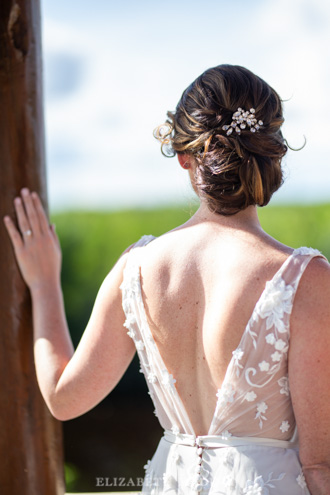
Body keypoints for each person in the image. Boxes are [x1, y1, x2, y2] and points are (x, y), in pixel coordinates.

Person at [3, 64, 330, 495]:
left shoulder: (135, 268)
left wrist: (44, 284)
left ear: (183, 155)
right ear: (273, 154)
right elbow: (320, 465)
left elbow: (64, 398)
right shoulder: (305, 280)